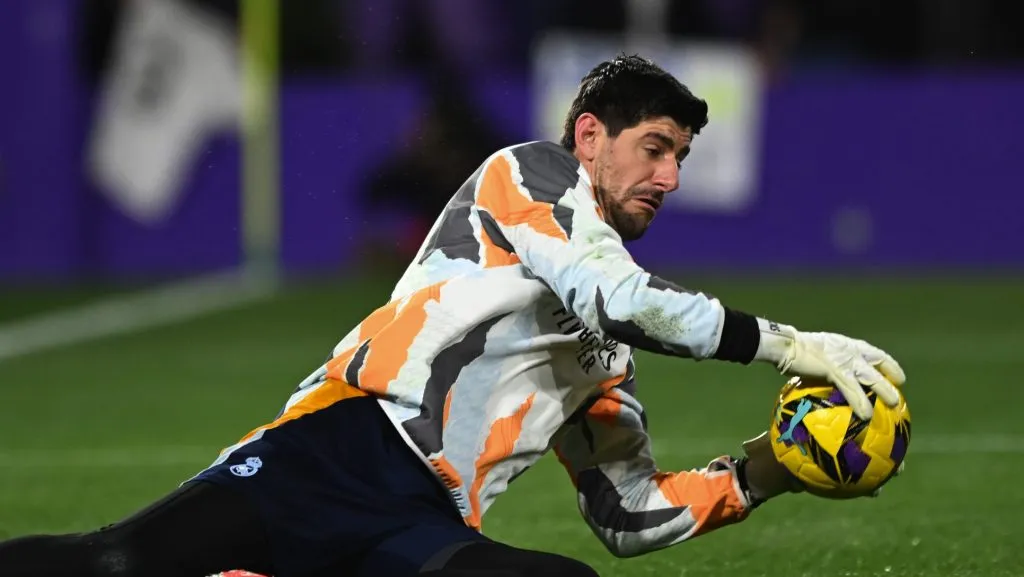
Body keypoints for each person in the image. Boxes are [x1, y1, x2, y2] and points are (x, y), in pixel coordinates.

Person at [0, 54, 906, 577]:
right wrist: (795, 345)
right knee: (112, 566)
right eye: (655, 147)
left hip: (421, 521)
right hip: (332, 449)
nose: (669, 176)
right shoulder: (529, 178)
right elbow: (620, 298)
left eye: (680, 158)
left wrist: (772, 468)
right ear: (589, 134)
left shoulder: (603, 358)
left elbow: (627, 513)